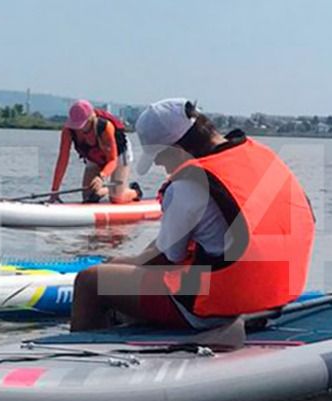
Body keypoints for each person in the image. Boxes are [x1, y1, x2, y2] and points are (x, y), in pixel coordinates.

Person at [69, 98, 315, 332]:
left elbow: (165, 259)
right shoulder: (262, 156)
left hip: (220, 304)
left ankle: (79, 364)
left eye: (159, 157)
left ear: (176, 149)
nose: (159, 166)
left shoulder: (188, 184)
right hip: (275, 296)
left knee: (90, 281)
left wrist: (113, 265)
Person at [50, 99, 139, 204]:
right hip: (94, 155)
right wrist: (55, 190)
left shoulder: (105, 127)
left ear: (91, 118)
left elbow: (112, 160)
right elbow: (62, 161)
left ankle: (135, 191)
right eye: (76, 125)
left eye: (82, 124)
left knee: (116, 198)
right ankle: (105, 191)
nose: (79, 128)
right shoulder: (68, 131)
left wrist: (101, 177)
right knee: (88, 196)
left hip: (118, 153)